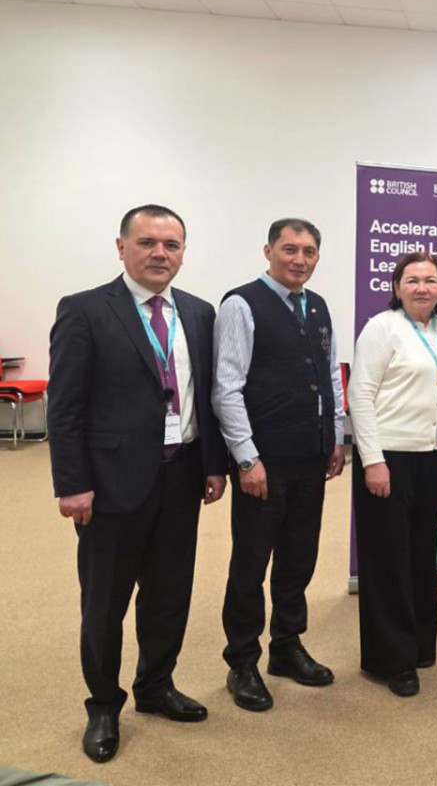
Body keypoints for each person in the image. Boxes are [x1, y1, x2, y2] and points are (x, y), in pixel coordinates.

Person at [48, 205, 228, 763]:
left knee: (170, 592)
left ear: (183, 253)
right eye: (147, 242)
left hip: (182, 474)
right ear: (121, 247)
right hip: (109, 485)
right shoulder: (84, 310)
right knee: (105, 602)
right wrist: (72, 483)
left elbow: (207, 399)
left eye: (171, 245)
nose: (160, 253)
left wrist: (214, 464)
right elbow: (65, 406)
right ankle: (103, 704)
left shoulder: (198, 313)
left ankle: (156, 685)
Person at [213, 218, 346, 712]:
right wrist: (246, 458)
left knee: (298, 557)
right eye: (289, 249)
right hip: (263, 463)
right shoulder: (241, 305)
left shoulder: (319, 305)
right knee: (251, 564)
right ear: (268, 251)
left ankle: (287, 646)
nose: (299, 259)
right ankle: (242, 661)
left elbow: (330, 375)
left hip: (311, 457)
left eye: (309, 252)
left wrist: (335, 435)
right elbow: (226, 388)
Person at [348, 251, 437, 697]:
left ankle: (419, 644)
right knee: (387, 559)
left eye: (430, 280)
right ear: (396, 287)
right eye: (411, 280)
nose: (421, 288)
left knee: (419, 553)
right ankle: (391, 660)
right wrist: (372, 459)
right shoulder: (382, 327)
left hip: (429, 456)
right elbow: (360, 395)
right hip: (387, 457)